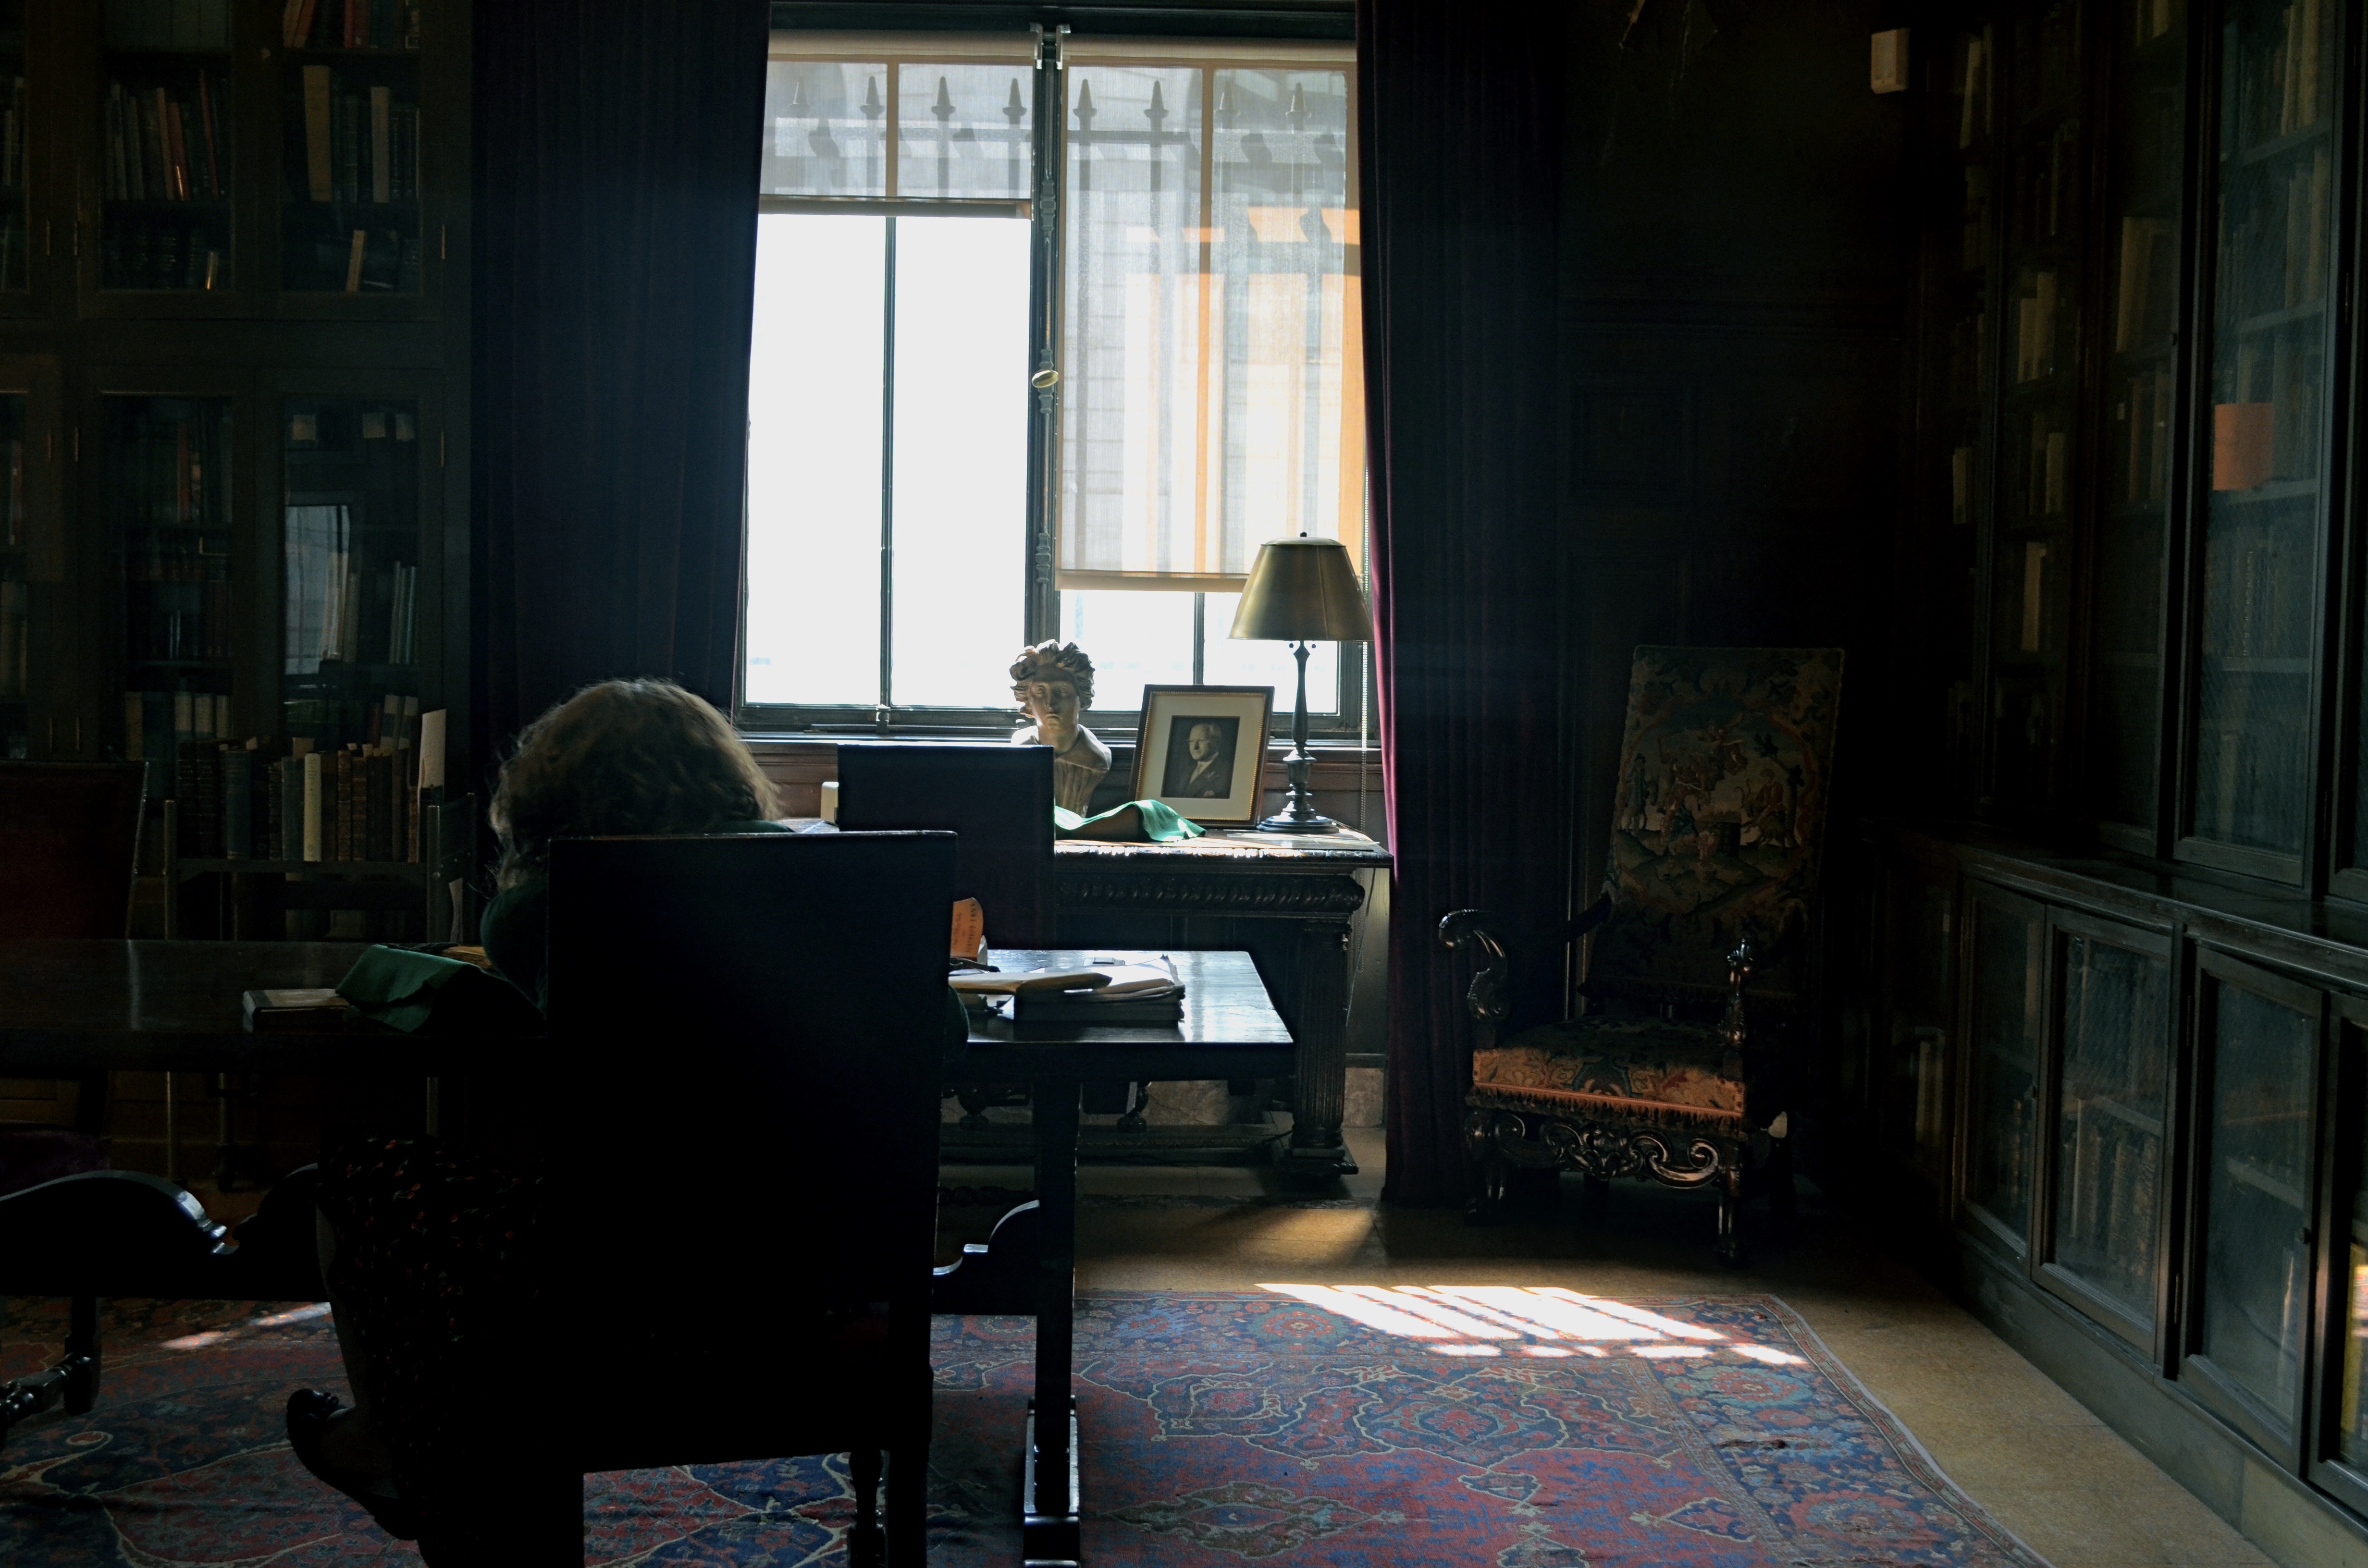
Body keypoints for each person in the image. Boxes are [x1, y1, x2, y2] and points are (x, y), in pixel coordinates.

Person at [284, 678, 789, 1558]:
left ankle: (390, 1442)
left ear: (550, 794)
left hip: (629, 1259)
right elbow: (936, 1027)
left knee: (353, 1177)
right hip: (806, 1260)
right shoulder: (827, 879)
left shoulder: (542, 906)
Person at [1174, 721, 1231, 797]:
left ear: (1217, 742)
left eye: (1202, 741)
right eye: (1192, 741)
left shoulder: (1227, 772)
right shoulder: (1187, 771)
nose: (1195, 747)